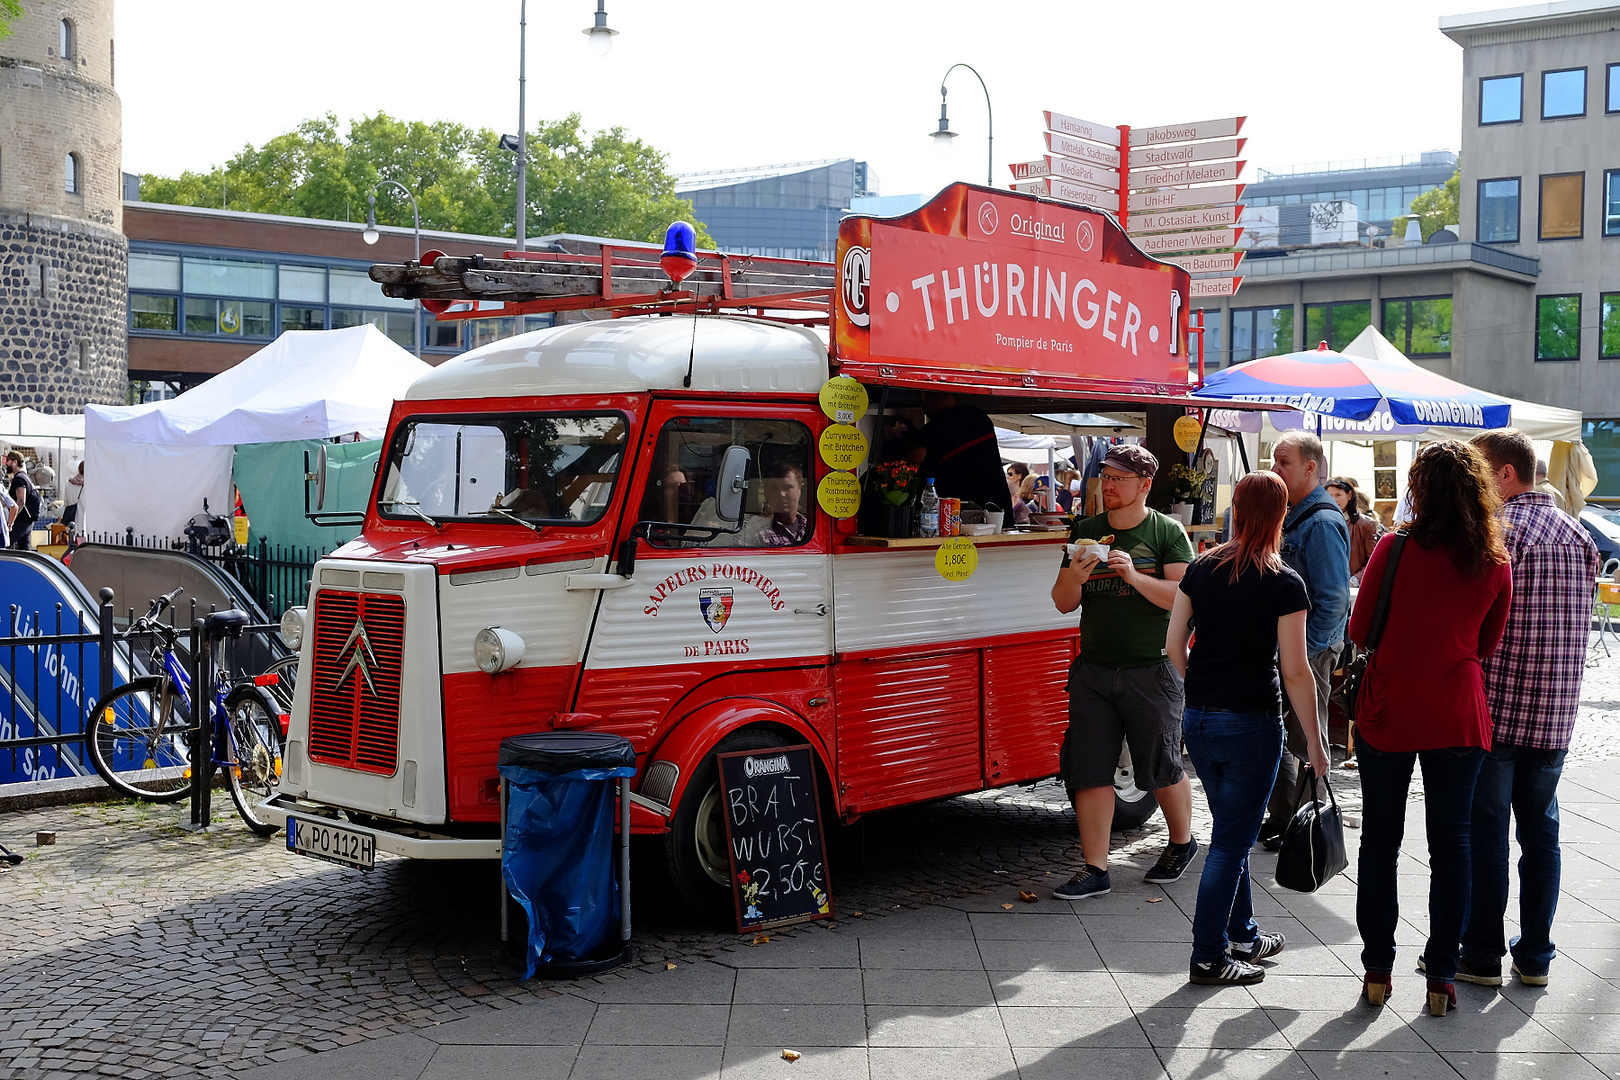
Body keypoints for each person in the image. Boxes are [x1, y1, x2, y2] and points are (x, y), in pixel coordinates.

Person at [1349, 440, 1512, 1015]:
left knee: (1380, 841)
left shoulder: (1393, 549)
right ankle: (1441, 974)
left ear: (1419, 488)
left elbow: (1361, 630)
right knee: (1453, 845)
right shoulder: (1493, 562)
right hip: (1457, 711)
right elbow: (1486, 645)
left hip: (1390, 706)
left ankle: (1376, 968)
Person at [1167, 471, 1329, 985]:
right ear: (1281, 515)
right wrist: (1318, 745)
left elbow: (1173, 647)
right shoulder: (1284, 582)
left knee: (1229, 831)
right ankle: (1209, 956)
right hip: (1253, 724)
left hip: (1200, 719)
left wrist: (1202, 687)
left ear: (1235, 507)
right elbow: (1297, 670)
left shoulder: (1200, 567)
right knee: (1231, 845)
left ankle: (1243, 933)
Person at [1458, 430, 1600, 988]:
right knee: (1541, 834)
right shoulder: (1578, 534)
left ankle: (1484, 954)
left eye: (1480, 473)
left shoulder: (1503, 534)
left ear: (1506, 475)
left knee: (1488, 832)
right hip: (1555, 712)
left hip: (1498, 708)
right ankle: (1536, 954)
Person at [1050, 444, 1198, 900]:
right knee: (1089, 768)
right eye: (1105, 476)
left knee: (1161, 765)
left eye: (1118, 478)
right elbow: (1062, 601)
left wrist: (1134, 577)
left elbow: (1183, 597)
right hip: (1094, 669)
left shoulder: (1167, 532)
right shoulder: (1086, 531)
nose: (1108, 485)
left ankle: (1182, 842)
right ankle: (1095, 868)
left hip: (1151, 667)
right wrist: (1075, 574)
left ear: (1144, 486)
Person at [1258, 433, 1350, 846]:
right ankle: (1282, 818)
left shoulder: (1323, 522)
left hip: (1308, 649)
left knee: (1306, 737)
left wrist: (1305, 654)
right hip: (1286, 648)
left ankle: (1303, 825)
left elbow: (1332, 600)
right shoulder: (1292, 513)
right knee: (1279, 734)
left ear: (1311, 467)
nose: (1275, 469)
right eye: (1274, 461)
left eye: (1283, 462)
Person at [909, 392, 1008, 514]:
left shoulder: (932, 433)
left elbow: (925, 481)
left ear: (923, 396)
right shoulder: (980, 418)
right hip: (1000, 511)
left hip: (954, 518)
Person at [738, 461, 810, 547]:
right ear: (766, 491)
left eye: (788, 487)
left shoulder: (811, 527)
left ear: (800, 489)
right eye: (774, 488)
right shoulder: (754, 531)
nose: (781, 494)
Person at [1326, 476, 1380, 584]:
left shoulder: (1365, 524)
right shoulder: (1323, 522)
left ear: (1349, 495)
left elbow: (1374, 560)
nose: (1334, 500)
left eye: (1338, 495)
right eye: (1330, 496)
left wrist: (1356, 579)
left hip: (1354, 585)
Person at [6, 451, 39, 551]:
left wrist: (11, 521)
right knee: (24, 549)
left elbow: (21, 501)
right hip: (27, 520)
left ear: (14, 462)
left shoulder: (19, 479)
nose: (6, 463)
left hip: (20, 520)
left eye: (8, 461)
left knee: (6, 544)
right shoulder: (25, 477)